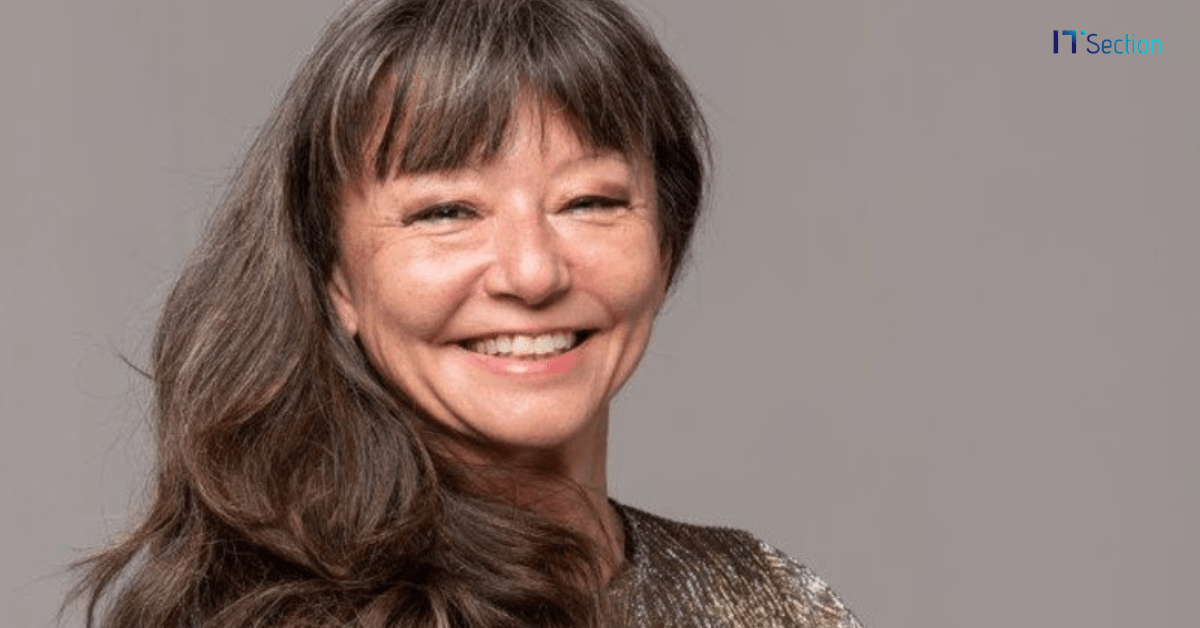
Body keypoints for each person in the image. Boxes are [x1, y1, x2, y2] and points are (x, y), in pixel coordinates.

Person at [72, 0, 862, 626]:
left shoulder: (770, 599)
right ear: (334, 275)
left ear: (665, 242)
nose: (532, 271)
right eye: (446, 211)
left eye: (589, 202)